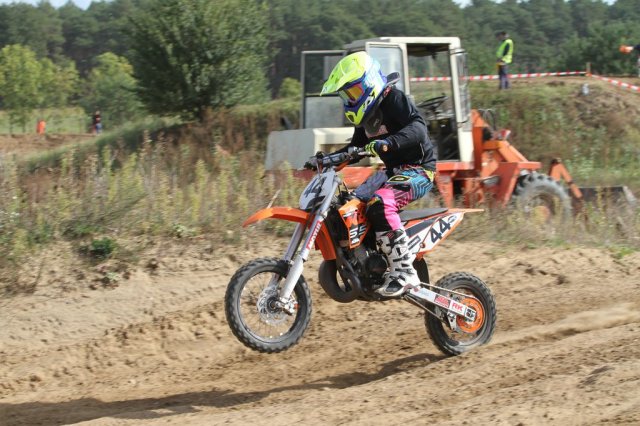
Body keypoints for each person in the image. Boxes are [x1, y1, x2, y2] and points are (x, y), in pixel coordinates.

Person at [320, 51, 436, 298]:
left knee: (380, 204)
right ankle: (369, 261)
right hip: (391, 172)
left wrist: (389, 143)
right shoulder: (366, 117)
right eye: (345, 95)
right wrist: (325, 160)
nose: (349, 100)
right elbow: (354, 150)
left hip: (419, 170)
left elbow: (419, 128)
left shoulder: (393, 99)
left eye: (352, 92)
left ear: (369, 82)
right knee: (348, 205)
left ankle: (405, 272)